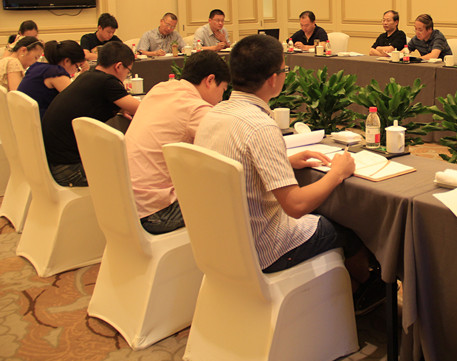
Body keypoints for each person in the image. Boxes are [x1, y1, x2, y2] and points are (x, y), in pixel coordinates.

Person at [194, 35, 381, 310]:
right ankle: (368, 293)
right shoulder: (260, 126)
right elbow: (295, 205)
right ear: (273, 79)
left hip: (220, 242)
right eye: (284, 70)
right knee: (350, 228)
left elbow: (234, 164)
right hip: (264, 247)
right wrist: (337, 173)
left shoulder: (214, 113)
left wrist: (285, 161)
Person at [126, 51, 230, 234]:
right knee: (230, 196)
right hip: (156, 212)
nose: (221, 99)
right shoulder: (196, 108)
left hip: (126, 201)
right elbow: (228, 149)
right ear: (210, 80)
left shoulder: (160, 88)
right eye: (222, 90)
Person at [42, 42, 140, 187]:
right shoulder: (108, 83)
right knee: (135, 172)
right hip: (69, 170)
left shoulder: (88, 76)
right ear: (119, 66)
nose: (127, 75)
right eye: (128, 71)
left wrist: (120, 108)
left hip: (53, 164)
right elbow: (143, 109)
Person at [18, 40, 86, 119]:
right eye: (77, 67)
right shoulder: (56, 73)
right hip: (38, 120)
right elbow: (76, 101)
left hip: (22, 118)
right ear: (66, 61)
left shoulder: (37, 66)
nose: (77, 70)